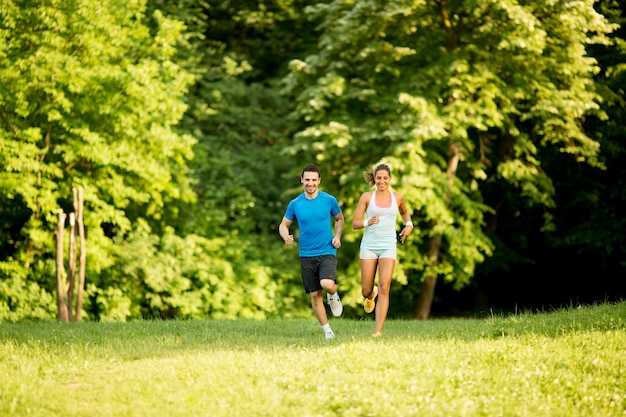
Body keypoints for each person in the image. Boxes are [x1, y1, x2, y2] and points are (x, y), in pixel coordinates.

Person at [279, 164, 344, 340]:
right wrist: (286, 236)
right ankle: (328, 332)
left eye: (314, 180)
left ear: (319, 181)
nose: (310, 183)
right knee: (315, 295)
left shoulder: (329, 200)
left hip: (327, 250)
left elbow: (339, 219)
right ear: (302, 180)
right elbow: (283, 225)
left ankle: (333, 294)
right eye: (307, 179)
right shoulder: (295, 204)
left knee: (326, 284)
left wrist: (337, 236)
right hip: (306, 254)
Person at [352, 163, 413, 338]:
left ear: (390, 179)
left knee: (385, 286)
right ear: (375, 179)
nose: (382, 181)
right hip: (369, 246)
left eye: (385, 178)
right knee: (366, 290)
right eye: (379, 178)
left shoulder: (398, 198)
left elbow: (405, 214)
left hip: (388, 245)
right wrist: (366, 222)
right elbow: (354, 223)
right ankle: (371, 295)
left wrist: (409, 226)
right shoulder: (366, 197)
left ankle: (377, 331)